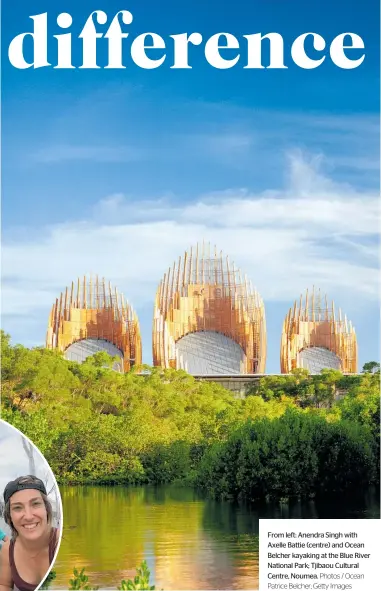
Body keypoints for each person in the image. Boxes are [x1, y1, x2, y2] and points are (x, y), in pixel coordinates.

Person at [0, 475, 59, 591]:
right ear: (9, 516)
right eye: (17, 508)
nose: (28, 516)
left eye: (35, 504)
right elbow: (4, 585)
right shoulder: (8, 550)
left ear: (46, 509)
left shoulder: (59, 542)